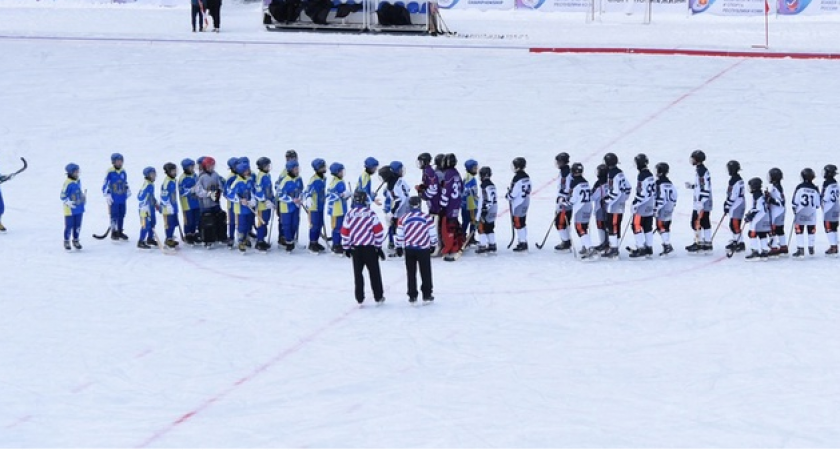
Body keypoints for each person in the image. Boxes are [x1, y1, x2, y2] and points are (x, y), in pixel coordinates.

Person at [341, 189, 386, 305]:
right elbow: (379, 231)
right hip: (369, 248)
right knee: (374, 273)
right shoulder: (370, 213)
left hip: (355, 248)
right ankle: (378, 296)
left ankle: (359, 297)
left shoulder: (350, 214)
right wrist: (378, 246)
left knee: (358, 274)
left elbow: (345, 232)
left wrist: (346, 247)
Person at [396, 196, 437, 304]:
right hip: (423, 248)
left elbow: (400, 234)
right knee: (426, 272)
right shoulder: (426, 218)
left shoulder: (403, 218)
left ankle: (412, 295)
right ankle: (427, 295)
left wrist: (398, 246)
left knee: (411, 273)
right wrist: (433, 244)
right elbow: (432, 233)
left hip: (409, 249)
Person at [602, 153, 631, 259]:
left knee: (612, 225)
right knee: (616, 225)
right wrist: (624, 198)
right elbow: (628, 187)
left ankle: (614, 249)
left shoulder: (612, 175)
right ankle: (614, 247)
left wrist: (608, 200)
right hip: (620, 203)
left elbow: (615, 191)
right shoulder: (620, 173)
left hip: (614, 205)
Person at [196, 157, 228, 247]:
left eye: (213, 166)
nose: (211, 168)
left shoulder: (215, 175)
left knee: (220, 218)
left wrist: (219, 191)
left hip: (216, 202)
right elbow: (198, 191)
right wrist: (209, 194)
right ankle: (207, 239)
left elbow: (220, 185)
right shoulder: (201, 177)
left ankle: (221, 236)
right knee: (208, 220)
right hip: (206, 204)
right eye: (209, 166)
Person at [686, 150, 713, 253]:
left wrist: (700, 202)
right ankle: (707, 243)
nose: (691, 160)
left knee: (695, 222)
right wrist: (693, 186)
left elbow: (704, 188)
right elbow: (700, 186)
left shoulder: (701, 172)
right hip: (705, 201)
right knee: (705, 222)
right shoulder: (701, 170)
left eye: (693, 158)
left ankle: (699, 243)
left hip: (702, 202)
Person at [629, 153, 655, 259]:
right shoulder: (650, 174)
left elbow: (641, 193)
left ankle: (641, 248)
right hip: (650, 204)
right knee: (648, 227)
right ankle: (649, 248)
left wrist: (635, 203)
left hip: (642, 205)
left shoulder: (641, 176)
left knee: (636, 225)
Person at [440, 154, 464, 260]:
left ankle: (451, 247)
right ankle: (458, 242)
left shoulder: (448, 174)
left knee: (449, 226)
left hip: (450, 204)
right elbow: (461, 188)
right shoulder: (456, 173)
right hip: (457, 203)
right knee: (454, 223)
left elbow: (446, 191)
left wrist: (442, 204)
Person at [791, 168, 820, 258]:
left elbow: (795, 201)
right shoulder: (815, 189)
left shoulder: (800, 187)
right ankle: (811, 247)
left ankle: (800, 249)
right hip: (811, 213)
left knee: (799, 231)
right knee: (811, 230)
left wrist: (794, 209)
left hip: (801, 212)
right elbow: (818, 204)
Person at [384, 161, 411, 256]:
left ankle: (399, 248)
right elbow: (407, 189)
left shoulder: (393, 184)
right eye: (400, 170)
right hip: (408, 207)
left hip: (401, 211)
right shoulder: (401, 180)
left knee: (398, 229)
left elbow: (399, 200)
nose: (402, 171)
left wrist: (392, 212)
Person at [568, 163, 594, 259]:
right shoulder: (585, 182)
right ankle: (585, 246)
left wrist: (566, 201)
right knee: (584, 226)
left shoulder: (574, 183)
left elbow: (573, 199)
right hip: (588, 206)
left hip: (580, 208)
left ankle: (589, 248)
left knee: (579, 228)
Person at [102, 153, 130, 241]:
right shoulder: (110, 172)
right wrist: (107, 194)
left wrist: (127, 188)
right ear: (113, 162)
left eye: (121, 161)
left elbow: (125, 182)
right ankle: (113, 231)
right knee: (114, 215)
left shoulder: (123, 171)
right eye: (118, 161)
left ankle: (120, 231)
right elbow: (105, 184)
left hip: (122, 197)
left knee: (122, 214)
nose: (120, 163)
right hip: (113, 198)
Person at [278, 160, 304, 252]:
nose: (297, 170)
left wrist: (300, 198)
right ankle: (288, 241)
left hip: (296, 206)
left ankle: (292, 239)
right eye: (295, 169)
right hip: (286, 207)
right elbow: (280, 195)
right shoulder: (285, 181)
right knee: (287, 225)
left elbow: (301, 190)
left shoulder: (299, 179)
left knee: (294, 224)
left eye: (298, 168)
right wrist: (291, 200)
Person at [507, 157, 531, 253]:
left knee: (518, 223)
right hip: (525, 201)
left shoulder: (517, 178)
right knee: (522, 221)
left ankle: (522, 243)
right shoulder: (527, 176)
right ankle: (523, 240)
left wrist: (508, 195)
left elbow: (513, 193)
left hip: (518, 203)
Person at [744, 177, 771, 261]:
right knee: (762, 234)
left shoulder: (756, 196)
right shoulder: (761, 194)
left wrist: (750, 216)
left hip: (758, 217)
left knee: (752, 233)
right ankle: (765, 251)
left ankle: (755, 252)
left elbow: (757, 208)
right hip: (765, 216)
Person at [231, 162, 256, 252]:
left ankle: (246, 238)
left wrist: (252, 200)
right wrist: (240, 200)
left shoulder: (249, 180)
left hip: (249, 207)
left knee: (248, 224)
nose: (248, 172)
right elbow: (231, 194)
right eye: (246, 171)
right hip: (240, 209)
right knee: (241, 226)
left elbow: (253, 192)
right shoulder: (236, 183)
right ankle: (240, 242)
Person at [654, 162, 677, 256]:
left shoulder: (658, 183)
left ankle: (667, 245)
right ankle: (666, 244)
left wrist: (656, 208)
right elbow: (675, 195)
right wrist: (673, 205)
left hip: (662, 208)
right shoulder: (670, 183)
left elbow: (661, 197)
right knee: (666, 226)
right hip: (669, 206)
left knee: (660, 226)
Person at [723, 160, 746, 255]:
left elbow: (733, 195)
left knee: (735, 224)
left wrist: (727, 204)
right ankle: (736, 240)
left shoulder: (735, 181)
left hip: (737, 204)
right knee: (732, 224)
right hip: (737, 204)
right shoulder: (738, 179)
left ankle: (739, 242)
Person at [326, 163, 350, 255]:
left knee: (342, 226)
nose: (342, 173)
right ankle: (336, 245)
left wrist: (346, 195)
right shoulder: (335, 183)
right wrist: (342, 195)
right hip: (336, 210)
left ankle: (340, 242)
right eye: (341, 171)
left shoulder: (341, 181)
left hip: (342, 209)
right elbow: (329, 195)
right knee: (337, 228)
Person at [61, 163, 85, 251]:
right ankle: (66, 241)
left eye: (78, 172)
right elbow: (62, 195)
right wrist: (67, 201)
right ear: (70, 173)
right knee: (69, 226)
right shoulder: (67, 183)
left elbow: (79, 192)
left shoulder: (78, 181)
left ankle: (76, 240)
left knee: (77, 225)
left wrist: (83, 197)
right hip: (70, 210)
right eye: (76, 172)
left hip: (79, 207)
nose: (77, 173)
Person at [305, 158, 328, 253]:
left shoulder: (323, 178)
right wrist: (308, 198)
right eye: (323, 167)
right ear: (318, 169)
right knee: (314, 225)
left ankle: (316, 241)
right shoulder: (314, 180)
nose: (325, 168)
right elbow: (307, 191)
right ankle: (312, 243)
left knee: (320, 224)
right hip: (314, 206)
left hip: (321, 205)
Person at [254, 157, 275, 252]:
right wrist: (264, 201)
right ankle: (259, 241)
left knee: (266, 222)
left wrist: (272, 200)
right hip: (263, 206)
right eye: (267, 166)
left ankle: (263, 240)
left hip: (268, 204)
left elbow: (269, 190)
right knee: (261, 223)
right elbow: (258, 191)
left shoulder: (267, 175)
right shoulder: (260, 176)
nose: (268, 167)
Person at [179, 159, 201, 245]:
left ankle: (194, 233)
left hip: (196, 202)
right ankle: (188, 234)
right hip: (187, 204)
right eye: (191, 166)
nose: (193, 168)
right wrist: (191, 190)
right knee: (189, 220)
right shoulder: (182, 178)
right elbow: (182, 192)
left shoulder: (195, 175)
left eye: (193, 166)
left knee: (196, 219)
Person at [554, 152, 573, 252]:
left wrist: (562, 199)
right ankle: (566, 240)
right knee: (563, 222)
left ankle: (566, 243)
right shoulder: (565, 171)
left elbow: (566, 189)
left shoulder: (566, 174)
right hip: (565, 201)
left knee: (560, 223)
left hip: (565, 202)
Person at [766, 168, 788, 257]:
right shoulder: (776, 187)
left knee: (773, 230)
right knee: (779, 229)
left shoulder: (777, 188)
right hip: (779, 212)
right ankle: (783, 246)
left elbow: (781, 202)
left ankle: (774, 247)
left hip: (777, 212)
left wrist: (770, 199)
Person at [137, 167, 160, 250]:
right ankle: (141, 241)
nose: (154, 176)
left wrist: (156, 204)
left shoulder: (151, 184)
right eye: (152, 174)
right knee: (145, 225)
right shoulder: (146, 185)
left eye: (155, 174)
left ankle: (150, 239)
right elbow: (140, 197)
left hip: (151, 208)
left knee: (152, 224)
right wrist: (144, 206)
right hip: (144, 210)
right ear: (148, 175)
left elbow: (151, 196)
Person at [160, 163, 180, 249]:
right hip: (167, 208)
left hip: (173, 206)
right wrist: (168, 206)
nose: (174, 172)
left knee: (174, 223)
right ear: (168, 172)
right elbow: (164, 196)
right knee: (169, 224)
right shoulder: (166, 182)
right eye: (172, 171)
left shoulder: (173, 180)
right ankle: (168, 239)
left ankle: (171, 237)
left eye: (175, 170)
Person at [591, 164, 609, 251]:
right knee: (608, 225)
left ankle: (603, 243)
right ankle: (608, 243)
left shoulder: (598, 184)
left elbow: (593, 196)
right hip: (610, 207)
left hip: (600, 207)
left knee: (601, 225)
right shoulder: (610, 181)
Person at [461, 159, 480, 245]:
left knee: (466, 222)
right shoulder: (470, 178)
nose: (476, 170)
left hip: (467, 204)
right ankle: (468, 238)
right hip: (470, 205)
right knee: (471, 221)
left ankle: (464, 237)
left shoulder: (467, 176)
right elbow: (467, 191)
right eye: (474, 168)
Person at [822, 164, 839, 256]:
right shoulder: (835, 183)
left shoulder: (826, 183)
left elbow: (825, 197)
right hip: (836, 206)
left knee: (828, 228)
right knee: (834, 227)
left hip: (829, 208)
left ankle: (833, 246)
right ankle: (835, 244)